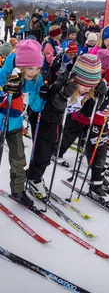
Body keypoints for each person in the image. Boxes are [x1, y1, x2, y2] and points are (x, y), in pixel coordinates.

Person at [27, 54, 103, 200]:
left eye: (91, 86)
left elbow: (88, 112)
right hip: (43, 119)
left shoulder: (87, 91)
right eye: (85, 84)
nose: (87, 89)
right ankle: (34, 179)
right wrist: (61, 97)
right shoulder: (61, 85)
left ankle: (33, 174)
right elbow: (50, 114)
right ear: (76, 79)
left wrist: (101, 97)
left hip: (59, 122)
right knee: (43, 154)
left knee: (50, 151)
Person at [0, 40, 44, 206]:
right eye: (30, 68)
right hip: (0, 122)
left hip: (16, 123)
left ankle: (18, 190)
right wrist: (6, 91)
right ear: (21, 64)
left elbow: (36, 106)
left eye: (37, 68)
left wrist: (42, 95)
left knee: (19, 158)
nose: (33, 72)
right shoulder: (4, 74)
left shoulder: (36, 80)